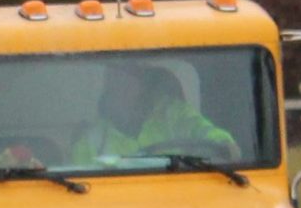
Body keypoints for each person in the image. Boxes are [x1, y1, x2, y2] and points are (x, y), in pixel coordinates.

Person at [70, 64, 239, 164]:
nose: (121, 86)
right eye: (114, 80)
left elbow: (201, 129)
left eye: (129, 78)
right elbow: (79, 190)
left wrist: (224, 144)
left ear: (144, 85)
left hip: (181, 197)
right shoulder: (91, 141)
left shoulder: (173, 113)